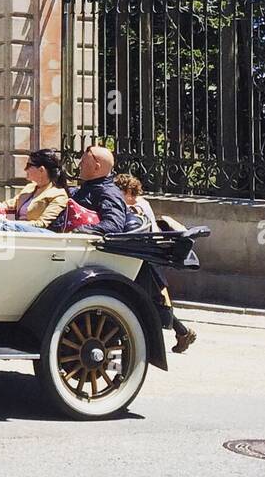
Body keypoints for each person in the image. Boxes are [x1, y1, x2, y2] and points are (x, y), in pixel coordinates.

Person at [115, 172, 196, 354]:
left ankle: (176, 334)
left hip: (146, 259)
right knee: (151, 301)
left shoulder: (137, 207)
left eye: (119, 190)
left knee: (154, 302)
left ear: (128, 191)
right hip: (145, 257)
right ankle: (182, 332)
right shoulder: (139, 204)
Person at [0, 149, 69, 227]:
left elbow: (41, 224)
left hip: (35, 234)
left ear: (41, 170)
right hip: (15, 229)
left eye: (29, 165)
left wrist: (12, 224)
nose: (25, 169)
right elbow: (11, 204)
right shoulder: (29, 188)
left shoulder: (58, 195)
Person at [67, 144, 131, 235]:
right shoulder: (86, 188)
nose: (79, 165)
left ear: (96, 167)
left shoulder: (108, 193)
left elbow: (113, 225)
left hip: (78, 244)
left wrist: (78, 231)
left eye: (83, 162)